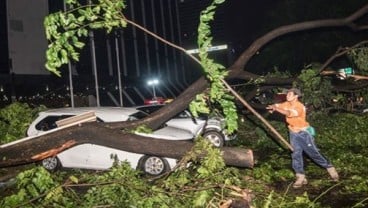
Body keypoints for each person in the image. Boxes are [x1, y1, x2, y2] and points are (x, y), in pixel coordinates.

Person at [266, 88, 339, 188]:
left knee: (313, 153)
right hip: (293, 133)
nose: (287, 95)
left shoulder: (299, 106)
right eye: (287, 94)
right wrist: (273, 107)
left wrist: (277, 109)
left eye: (290, 94)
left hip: (303, 133)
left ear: (296, 96)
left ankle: (330, 168)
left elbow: (289, 113)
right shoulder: (287, 103)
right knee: (296, 154)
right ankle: (300, 176)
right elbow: (279, 106)